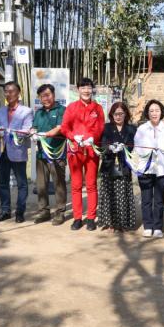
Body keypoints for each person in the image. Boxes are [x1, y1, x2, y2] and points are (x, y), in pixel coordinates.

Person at [60, 77, 105, 231]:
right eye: (83, 87)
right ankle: (77, 218)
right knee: (76, 185)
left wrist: (93, 137)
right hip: (75, 151)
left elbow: (100, 127)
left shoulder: (98, 108)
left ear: (92, 89)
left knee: (91, 185)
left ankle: (91, 218)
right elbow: (65, 127)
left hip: (92, 151)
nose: (86, 90)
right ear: (77, 90)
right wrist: (73, 137)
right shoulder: (71, 107)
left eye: (88, 87)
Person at [0, 82, 33, 223]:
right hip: (1, 151)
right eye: (6, 91)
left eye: (12, 91)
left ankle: (20, 212)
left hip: (17, 151)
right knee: (3, 183)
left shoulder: (26, 111)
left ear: (18, 93)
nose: (9, 94)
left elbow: (27, 130)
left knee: (21, 183)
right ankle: (5, 210)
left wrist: (11, 132)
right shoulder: (0, 111)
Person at [134, 99, 164, 238]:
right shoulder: (142, 129)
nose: (154, 113)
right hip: (145, 169)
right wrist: (150, 150)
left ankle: (157, 227)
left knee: (159, 199)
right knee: (146, 199)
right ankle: (148, 225)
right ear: (147, 113)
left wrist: (162, 148)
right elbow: (138, 147)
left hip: (162, 169)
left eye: (157, 110)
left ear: (161, 112)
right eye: (151, 111)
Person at [30, 84, 67, 225]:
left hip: (57, 154)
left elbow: (59, 128)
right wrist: (32, 132)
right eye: (42, 96)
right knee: (41, 185)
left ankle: (60, 212)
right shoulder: (39, 112)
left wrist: (44, 134)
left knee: (58, 184)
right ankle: (43, 211)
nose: (45, 98)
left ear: (53, 95)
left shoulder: (62, 110)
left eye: (48, 95)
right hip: (41, 155)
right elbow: (34, 126)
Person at [98, 102, 137, 232]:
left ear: (126, 114)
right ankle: (110, 223)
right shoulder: (107, 127)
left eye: (121, 113)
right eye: (116, 113)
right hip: (109, 166)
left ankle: (122, 223)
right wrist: (110, 147)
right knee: (109, 195)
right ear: (111, 115)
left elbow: (132, 146)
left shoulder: (131, 129)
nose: (118, 116)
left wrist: (124, 148)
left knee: (123, 195)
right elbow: (102, 144)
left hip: (123, 166)